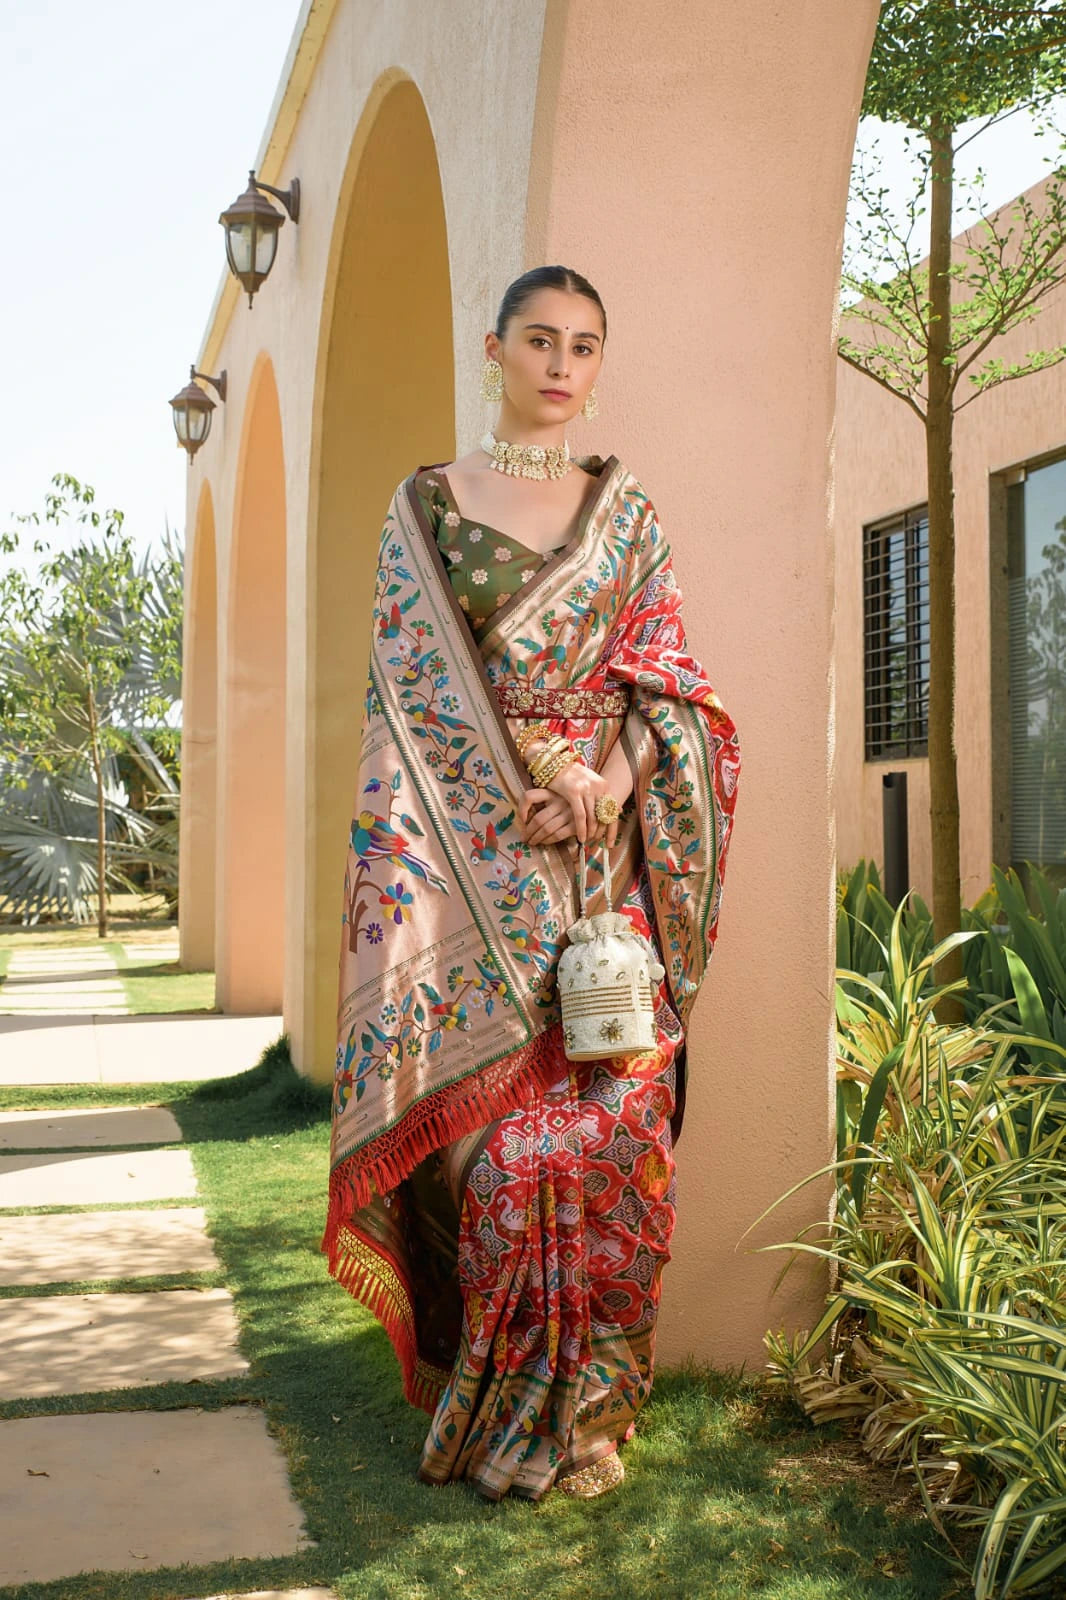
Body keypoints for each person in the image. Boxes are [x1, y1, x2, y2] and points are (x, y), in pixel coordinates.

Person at [321, 264, 740, 1502]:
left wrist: (604, 784)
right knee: (501, 1152)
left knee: (617, 1127)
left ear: (600, 366)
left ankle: (596, 1412)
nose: (562, 364)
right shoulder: (429, 506)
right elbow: (406, 704)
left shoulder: (630, 517)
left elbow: (670, 689)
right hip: (474, 857)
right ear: (494, 349)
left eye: (586, 345)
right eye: (540, 339)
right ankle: (500, 1397)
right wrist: (518, 792)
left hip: (607, 867)